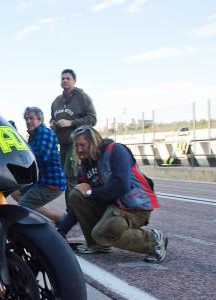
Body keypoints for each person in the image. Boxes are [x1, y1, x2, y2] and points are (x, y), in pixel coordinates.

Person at [68, 125, 167, 263]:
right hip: (113, 205)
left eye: (82, 145)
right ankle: (97, 245)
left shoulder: (116, 150)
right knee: (76, 195)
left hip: (134, 207)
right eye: (76, 146)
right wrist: (60, 232)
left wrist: (91, 192)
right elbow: (79, 203)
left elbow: (121, 185)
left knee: (102, 232)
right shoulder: (85, 164)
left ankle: (153, 241)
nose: (78, 150)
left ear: (94, 141)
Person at [50, 68, 97, 236]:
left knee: (71, 178)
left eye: (67, 78)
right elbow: (52, 118)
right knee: (66, 178)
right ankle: (72, 211)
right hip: (61, 145)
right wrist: (53, 124)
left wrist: (71, 123)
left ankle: (73, 214)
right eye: (62, 78)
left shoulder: (82, 97)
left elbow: (92, 119)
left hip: (76, 144)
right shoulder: (56, 101)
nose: (64, 81)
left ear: (74, 81)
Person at [11, 107, 66, 229]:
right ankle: (57, 217)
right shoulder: (34, 135)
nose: (28, 121)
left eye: (31, 118)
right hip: (40, 181)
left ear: (40, 119)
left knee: (22, 207)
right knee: (15, 192)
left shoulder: (45, 133)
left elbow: (39, 157)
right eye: (26, 119)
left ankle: (41, 231)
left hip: (51, 183)